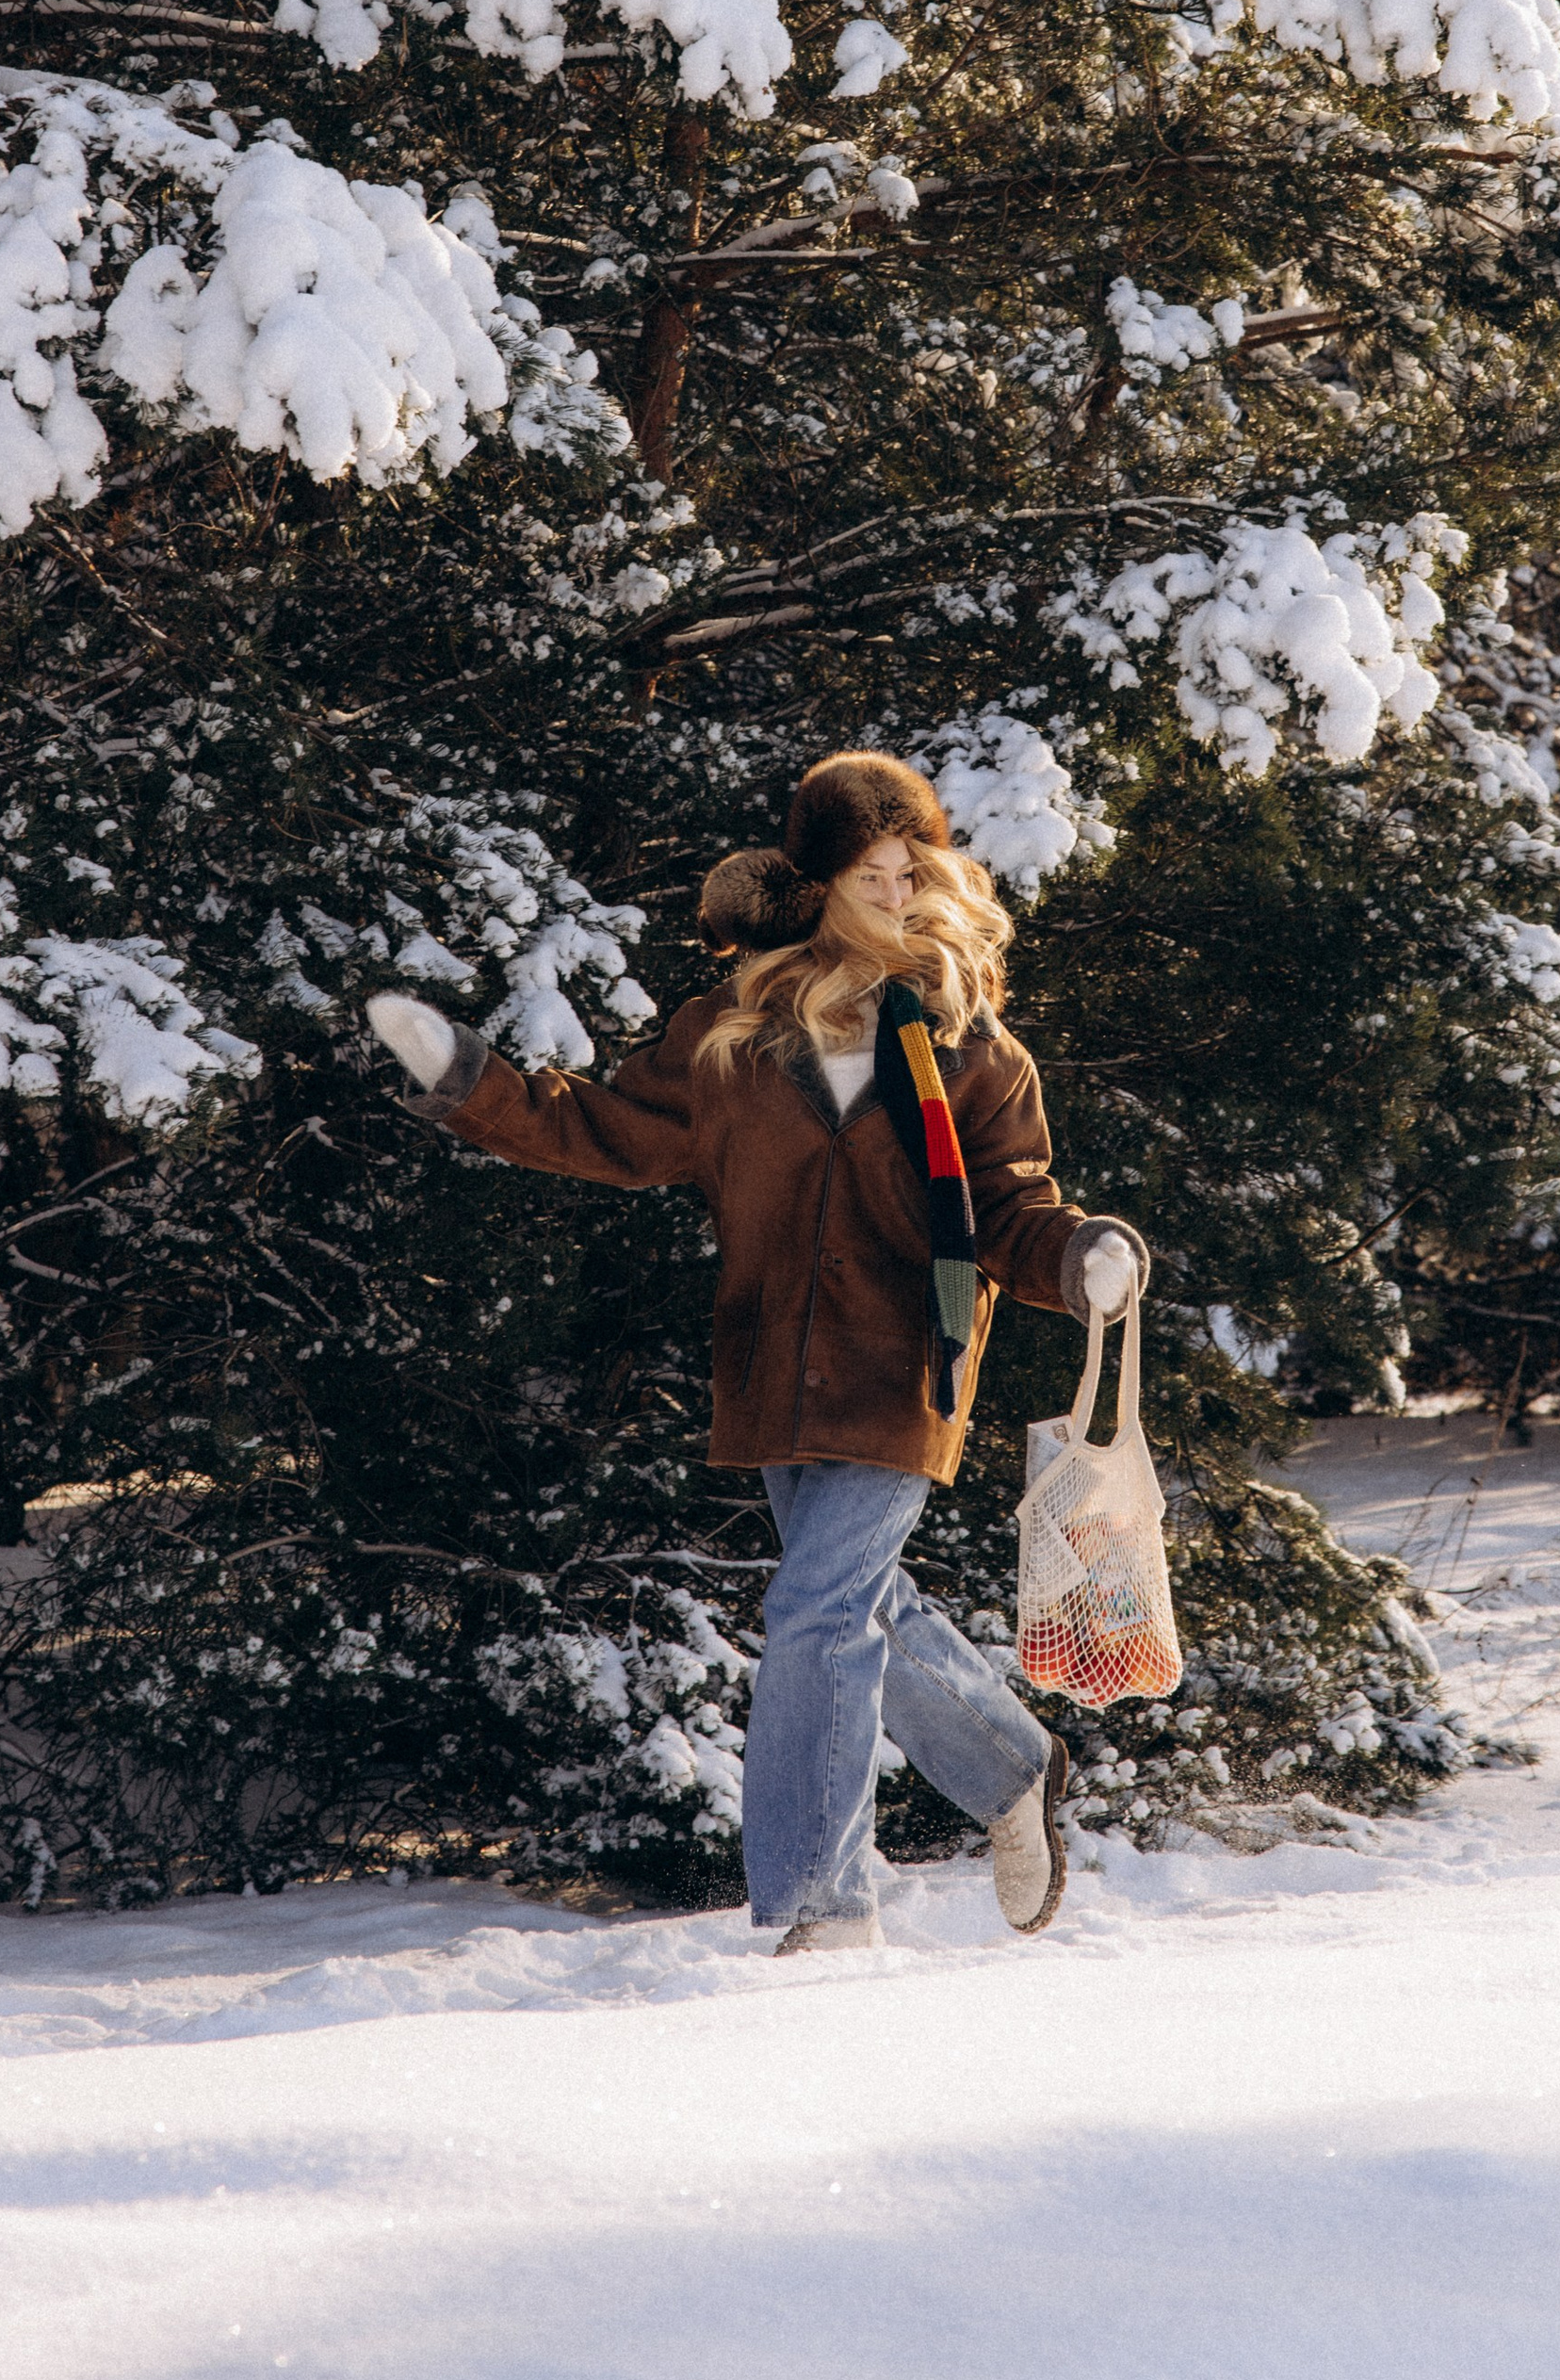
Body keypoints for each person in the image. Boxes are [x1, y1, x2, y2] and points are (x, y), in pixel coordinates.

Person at [366, 749, 1147, 1954]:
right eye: (872, 871)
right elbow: (607, 1130)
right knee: (850, 1599)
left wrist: (1080, 1252)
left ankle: (820, 1910)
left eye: (911, 868)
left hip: (905, 1360)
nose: (896, 893)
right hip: (772, 1358)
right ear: (819, 885)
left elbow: (1011, 1208)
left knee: (819, 1611)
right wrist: (469, 1081)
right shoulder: (732, 1032)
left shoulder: (969, 1044)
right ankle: (1011, 1764)